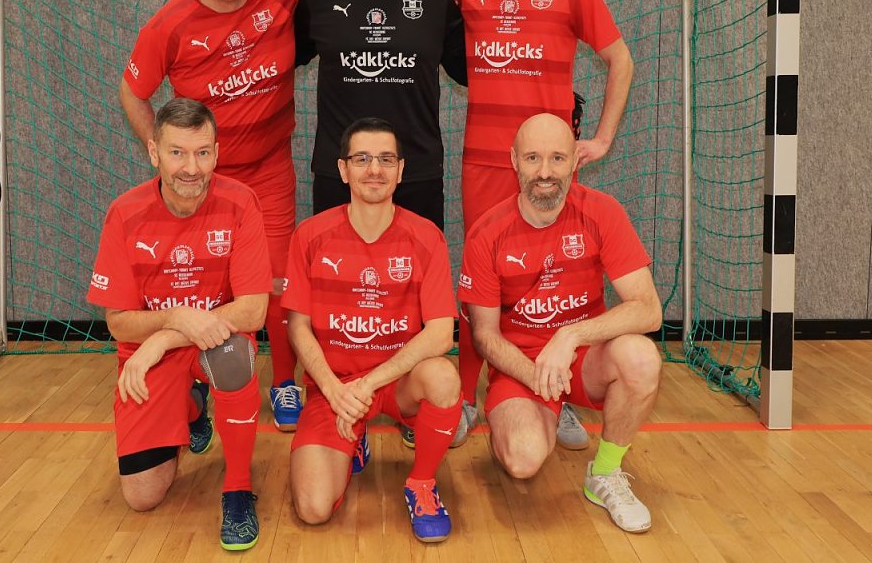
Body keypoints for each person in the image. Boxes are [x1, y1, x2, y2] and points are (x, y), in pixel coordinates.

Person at [450, 0, 636, 446]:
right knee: (482, 286)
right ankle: (466, 397)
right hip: (486, 161)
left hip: (550, 165)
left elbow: (621, 60)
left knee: (556, 278)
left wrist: (601, 138)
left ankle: (558, 392)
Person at [120, 0, 309, 432]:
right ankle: (197, 383)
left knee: (275, 283)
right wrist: (168, 158)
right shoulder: (168, 25)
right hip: (202, 181)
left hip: (269, 170)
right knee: (203, 285)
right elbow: (132, 92)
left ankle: (284, 382)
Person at [458, 113, 662, 533]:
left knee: (642, 358)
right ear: (514, 160)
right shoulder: (487, 233)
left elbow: (648, 309)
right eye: (533, 158)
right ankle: (534, 415)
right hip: (521, 366)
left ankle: (604, 473)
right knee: (522, 461)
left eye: (557, 158)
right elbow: (484, 336)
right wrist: (538, 376)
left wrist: (571, 335)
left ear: (574, 161)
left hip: (584, 358)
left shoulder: (602, 211)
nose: (545, 172)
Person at [87, 99, 271, 550]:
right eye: (177, 153)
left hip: (216, 342)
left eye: (202, 152)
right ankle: (191, 407)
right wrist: (174, 318)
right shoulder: (124, 213)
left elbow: (253, 311)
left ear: (216, 152)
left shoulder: (240, 202)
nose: (191, 168)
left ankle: (238, 490)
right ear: (154, 152)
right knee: (142, 496)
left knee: (233, 359)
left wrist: (168, 334)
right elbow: (118, 323)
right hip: (153, 354)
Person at [282, 118, 463, 543]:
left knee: (442, 376)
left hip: (397, 383)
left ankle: (421, 483)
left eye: (386, 159)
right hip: (336, 387)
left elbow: (441, 334)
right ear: (343, 169)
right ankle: (352, 439)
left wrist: (368, 385)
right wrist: (335, 391)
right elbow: (298, 326)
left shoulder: (427, 238)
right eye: (362, 159)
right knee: (312, 508)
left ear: (401, 170)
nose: (375, 170)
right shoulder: (309, 236)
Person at [294, 0, 466, 230]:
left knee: (419, 266)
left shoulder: (435, 1)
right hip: (341, 175)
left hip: (414, 174)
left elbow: (474, 72)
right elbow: (277, 62)